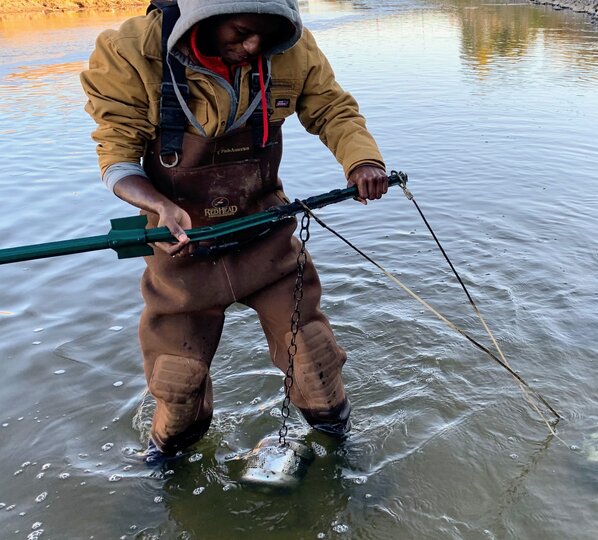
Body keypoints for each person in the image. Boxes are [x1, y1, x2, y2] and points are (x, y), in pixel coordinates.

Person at [80, 0, 388, 462]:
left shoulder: (291, 46)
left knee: (314, 363)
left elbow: (332, 109)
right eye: (242, 31)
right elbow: (117, 158)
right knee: (178, 385)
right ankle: (163, 469)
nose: (252, 46)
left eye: (265, 36)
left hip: (266, 235)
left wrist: (363, 160)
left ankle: (346, 455)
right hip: (182, 247)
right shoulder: (126, 51)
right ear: (202, 16)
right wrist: (158, 205)